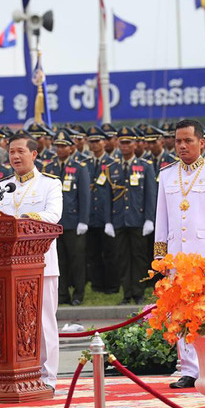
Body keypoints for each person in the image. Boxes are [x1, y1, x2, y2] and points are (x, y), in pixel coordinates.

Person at [153, 119, 205, 389]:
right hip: (176, 253)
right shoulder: (166, 174)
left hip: (204, 253)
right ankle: (188, 368)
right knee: (179, 311)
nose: (182, 146)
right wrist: (160, 253)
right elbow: (161, 216)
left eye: (188, 140)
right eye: (178, 141)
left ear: (202, 142)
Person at [0, 130, 62, 392]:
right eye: (11, 152)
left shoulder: (50, 184)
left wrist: (21, 223)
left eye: (20, 151)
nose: (15, 156)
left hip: (41, 264)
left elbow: (53, 215)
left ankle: (48, 377)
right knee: (12, 323)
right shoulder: (1, 187)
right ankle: (17, 373)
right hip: (7, 267)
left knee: (43, 322)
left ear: (34, 154)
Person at [42, 129, 90, 306]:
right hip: (55, 223)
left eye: (63, 146)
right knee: (57, 259)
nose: (60, 150)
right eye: (57, 146)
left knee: (77, 260)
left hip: (74, 221)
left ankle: (78, 294)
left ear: (71, 148)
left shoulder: (79, 167)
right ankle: (62, 294)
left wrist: (83, 220)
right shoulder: (49, 167)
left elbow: (85, 195)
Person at [111, 126, 156, 305]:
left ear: (135, 144)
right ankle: (126, 293)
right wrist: (108, 221)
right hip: (119, 218)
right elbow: (108, 196)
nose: (125, 146)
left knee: (138, 257)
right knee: (122, 258)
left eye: (128, 142)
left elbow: (150, 195)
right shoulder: (112, 167)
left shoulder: (145, 167)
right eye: (122, 142)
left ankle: (138, 293)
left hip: (138, 219)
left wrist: (149, 219)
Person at [85, 126, 118, 295]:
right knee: (93, 253)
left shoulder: (112, 164)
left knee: (110, 253)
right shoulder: (86, 164)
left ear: (104, 142)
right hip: (91, 214)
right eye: (91, 141)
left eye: (97, 141)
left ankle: (111, 286)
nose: (94, 145)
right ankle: (97, 285)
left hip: (107, 215)